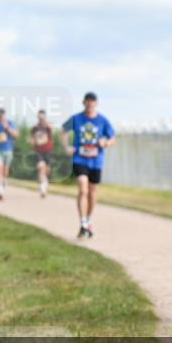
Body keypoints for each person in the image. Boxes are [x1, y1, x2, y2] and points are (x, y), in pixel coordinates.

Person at [61, 93, 116, 238]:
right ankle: (83, 222)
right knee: (83, 188)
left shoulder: (102, 120)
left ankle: (87, 219)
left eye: (92, 103)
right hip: (79, 158)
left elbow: (112, 138)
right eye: (87, 103)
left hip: (96, 160)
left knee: (92, 192)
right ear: (83, 103)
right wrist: (66, 147)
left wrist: (106, 143)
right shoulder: (76, 118)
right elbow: (63, 131)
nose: (89, 105)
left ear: (96, 104)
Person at [29, 109, 54, 198]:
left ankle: (43, 183)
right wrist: (32, 141)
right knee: (41, 168)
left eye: (42, 116)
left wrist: (45, 123)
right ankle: (42, 189)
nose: (41, 118)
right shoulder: (34, 128)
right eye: (39, 116)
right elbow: (31, 139)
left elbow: (52, 128)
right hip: (38, 151)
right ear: (37, 117)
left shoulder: (48, 127)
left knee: (46, 171)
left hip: (48, 151)